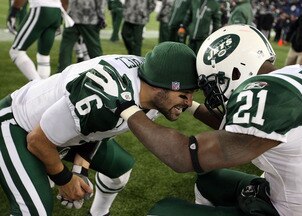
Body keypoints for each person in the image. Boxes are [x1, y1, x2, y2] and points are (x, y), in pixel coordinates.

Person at [116, 24, 302, 215]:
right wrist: (190, 106)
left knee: (163, 212)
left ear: (236, 70)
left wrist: (127, 107)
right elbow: (243, 131)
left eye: (215, 83)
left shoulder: (269, 95)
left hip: (301, 211)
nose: (215, 93)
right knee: (209, 181)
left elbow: (183, 156)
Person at [0, 42, 199, 216]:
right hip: (19, 124)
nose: (189, 102)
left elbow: (97, 129)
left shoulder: (150, 87)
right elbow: (37, 141)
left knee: (120, 170)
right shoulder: (106, 96)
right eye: (184, 94)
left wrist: (80, 170)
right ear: (159, 86)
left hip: (64, 130)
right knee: (34, 212)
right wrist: (64, 179)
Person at [8, 0, 65, 81]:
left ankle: (37, 86)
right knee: (44, 56)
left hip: (41, 8)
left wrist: (13, 12)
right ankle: (45, 88)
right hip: (57, 11)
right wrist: (60, 18)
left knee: (16, 52)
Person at [57, 0, 107, 73]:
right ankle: (101, 71)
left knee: (66, 46)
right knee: (94, 47)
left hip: (72, 17)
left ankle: (62, 71)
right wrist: (102, 17)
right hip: (90, 18)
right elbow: (101, 2)